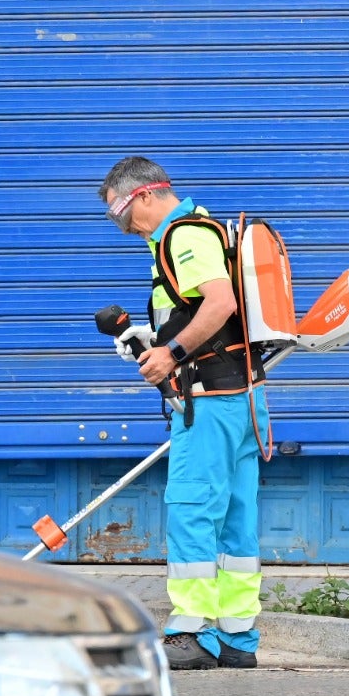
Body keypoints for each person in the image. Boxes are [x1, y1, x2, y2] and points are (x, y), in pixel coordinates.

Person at [100, 156, 270, 670]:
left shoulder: (182, 235)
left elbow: (219, 305)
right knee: (237, 519)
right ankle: (239, 638)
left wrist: (170, 356)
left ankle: (192, 632)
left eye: (120, 214)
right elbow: (201, 316)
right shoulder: (203, 230)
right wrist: (155, 341)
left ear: (146, 195)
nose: (124, 227)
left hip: (209, 402)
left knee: (194, 509)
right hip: (243, 397)